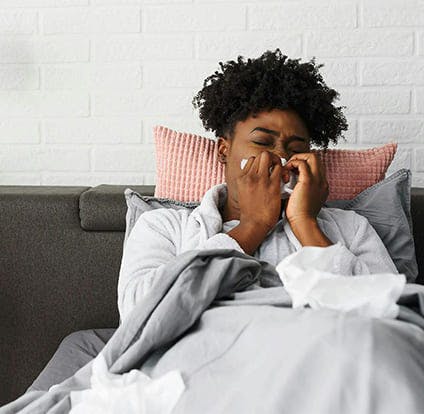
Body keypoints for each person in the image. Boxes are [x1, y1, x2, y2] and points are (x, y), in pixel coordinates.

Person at [117, 48, 398, 322]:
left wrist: (305, 223)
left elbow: (391, 314)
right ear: (224, 151)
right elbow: (137, 316)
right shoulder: (164, 226)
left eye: (296, 147)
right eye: (262, 143)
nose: (281, 157)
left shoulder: (350, 228)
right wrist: (252, 225)